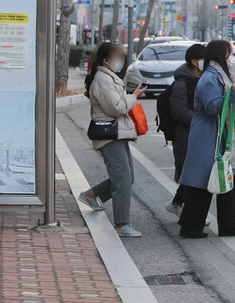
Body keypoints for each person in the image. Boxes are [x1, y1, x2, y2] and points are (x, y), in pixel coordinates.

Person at [178, 40, 235, 239]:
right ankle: (190, 227)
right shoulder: (210, 78)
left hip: (220, 134)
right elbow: (212, 108)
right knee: (203, 181)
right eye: (228, 54)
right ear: (220, 56)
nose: (230, 59)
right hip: (209, 134)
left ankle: (229, 225)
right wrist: (233, 94)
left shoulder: (217, 75)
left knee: (225, 177)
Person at [78, 43, 148, 238]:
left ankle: (91, 196)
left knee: (127, 177)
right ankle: (121, 224)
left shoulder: (108, 77)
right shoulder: (102, 79)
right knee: (123, 179)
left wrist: (132, 95)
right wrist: (134, 96)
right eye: (117, 57)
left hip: (118, 133)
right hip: (110, 134)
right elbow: (116, 108)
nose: (120, 60)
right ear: (105, 61)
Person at [164, 43, 206, 216]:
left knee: (192, 174)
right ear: (195, 62)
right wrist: (201, 120)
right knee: (191, 175)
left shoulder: (201, 79)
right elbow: (179, 111)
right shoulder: (182, 83)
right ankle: (192, 217)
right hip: (185, 136)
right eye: (206, 59)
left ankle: (176, 203)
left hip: (197, 133)